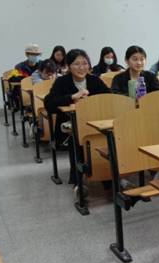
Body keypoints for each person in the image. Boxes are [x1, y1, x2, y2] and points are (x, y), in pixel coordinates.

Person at [44, 49, 110, 184]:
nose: (81, 67)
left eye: (85, 63)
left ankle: (107, 176)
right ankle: (77, 179)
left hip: (94, 121)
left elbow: (109, 98)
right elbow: (49, 103)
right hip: (69, 126)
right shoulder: (62, 82)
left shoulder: (94, 80)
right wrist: (72, 97)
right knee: (78, 136)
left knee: (107, 135)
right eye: (77, 64)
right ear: (69, 66)